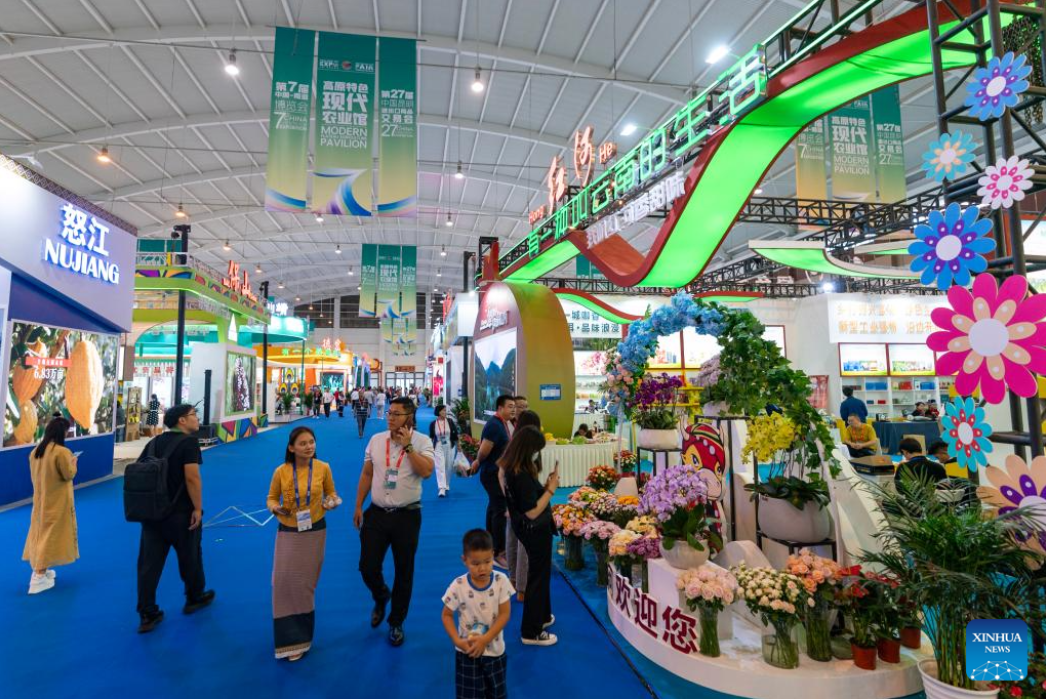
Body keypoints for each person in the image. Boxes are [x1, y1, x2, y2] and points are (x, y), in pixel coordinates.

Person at [354, 397, 435, 647]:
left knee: (404, 571)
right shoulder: (376, 440)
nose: (390, 417)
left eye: (396, 414)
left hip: (407, 516)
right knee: (367, 567)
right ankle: (381, 595)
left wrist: (408, 447)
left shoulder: (422, 441)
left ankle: (396, 622)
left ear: (410, 417)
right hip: (377, 513)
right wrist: (358, 505)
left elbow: (427, 472)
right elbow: (367, 473)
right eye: (389, 413)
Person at [136, 404, 215, 633]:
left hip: (152, 514)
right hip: (181, 513)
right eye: (193, 415)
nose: (197, 418)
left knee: (148, 565)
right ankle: (194, 597)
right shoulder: (189, 443)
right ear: (182, 420)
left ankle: (147, 613)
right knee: (190, 556)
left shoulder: (153, 443)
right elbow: (192, 478)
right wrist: (197, 508)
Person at [267, 426, 340, 661]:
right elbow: (271, 498)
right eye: (303, 443)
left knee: (304, 585)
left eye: (311, 442)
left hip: (314, 531)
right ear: (291, 448)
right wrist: (275, 508)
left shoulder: (323, 468)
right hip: (288, 530)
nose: (309, 447)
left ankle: (301, 639)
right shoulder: (281, 471)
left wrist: (332, 502)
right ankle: (287, 640)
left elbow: (332, 493)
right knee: (282, 583)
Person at [500, 425, 558, 646]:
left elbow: (528, 498)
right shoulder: (520, 474)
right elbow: (532, 511)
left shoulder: (514, 468)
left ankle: (541, 617)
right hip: (534, 529)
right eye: (535, 450)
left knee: (541, 575)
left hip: (530, 529)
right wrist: (551, 489)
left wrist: (544, 487)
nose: (537, 454)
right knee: (537, 578)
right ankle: (531, 631)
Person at [441, 529, 514, 699]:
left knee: (497, 693)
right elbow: (446, 615)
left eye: (487, 561)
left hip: (495, 651)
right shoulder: (458, 586)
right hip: (467, 652)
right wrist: (457, 640)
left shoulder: (501, 581)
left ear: (493, 555)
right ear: (464, 560)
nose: (482, 568)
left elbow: (505, 614)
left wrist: (486, 639)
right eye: (475, 563)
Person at [22, 416, 79, 595]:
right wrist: (74, 463)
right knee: (50, 537)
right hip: (57, 502)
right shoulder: (62, 452)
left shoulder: (35, 451)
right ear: (62, 432)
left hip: (40, 501)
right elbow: (68, 474)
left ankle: (41, 570)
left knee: (39, 534)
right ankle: (38, 576)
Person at [470, 395, 515, 569]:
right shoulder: (495, 425)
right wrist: (477, 461)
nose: (513, 409)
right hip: (492, 474)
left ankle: (490, 542)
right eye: (510, 406)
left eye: (514, 406)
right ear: (500, 408)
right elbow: (484, 450)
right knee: (500, 509)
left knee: (494, 507)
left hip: (496, 473)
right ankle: (498, 552)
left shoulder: (502, 423)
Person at [504, 410, 541, 603]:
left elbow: (501, 472)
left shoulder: (513, 443)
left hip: (513, 499)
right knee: (525, 545)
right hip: (525, 502)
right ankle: (523, 588)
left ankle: (513, 580)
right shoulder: (529, 447)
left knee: (512, 537)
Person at [429, 404, 459, 498]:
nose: (445, 412)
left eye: (445, 410)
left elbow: (455, 435)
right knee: (440, 466)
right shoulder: (433, 424)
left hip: (449, 445)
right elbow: (431, 437)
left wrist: (459, 446)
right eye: (443, 410)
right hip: (438, 446)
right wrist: (430, 448)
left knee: (448, 466)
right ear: (438, 412)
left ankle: (446, 484)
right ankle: (441, 488)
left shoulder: (450, 421)